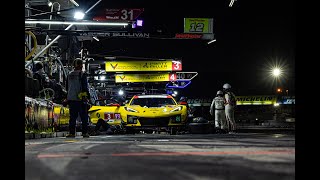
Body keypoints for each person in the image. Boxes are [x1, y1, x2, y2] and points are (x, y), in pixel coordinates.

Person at [66, 59, 91, 138]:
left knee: (72, 117)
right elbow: (84, 87)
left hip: (71, 99)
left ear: (74, 65)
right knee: (84, 117)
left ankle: (72, 133)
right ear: (81, 65)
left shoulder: (69, 74)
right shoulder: (82, 74)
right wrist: (88, 96)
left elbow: (67, 86)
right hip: (80, 99)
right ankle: (85, 133)